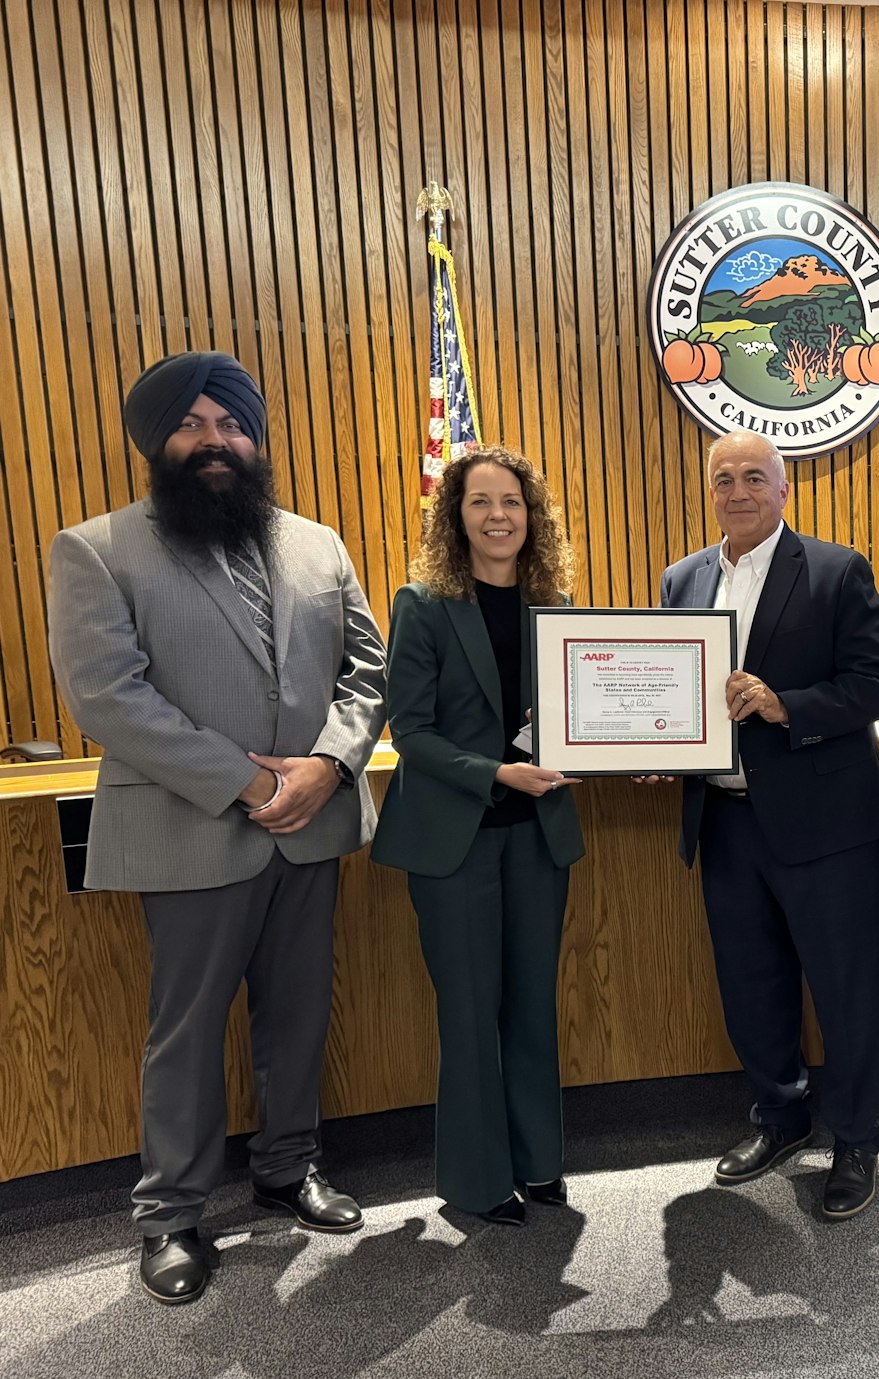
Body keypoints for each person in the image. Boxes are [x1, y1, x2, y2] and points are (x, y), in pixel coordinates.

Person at [45, 351, 386, 1305]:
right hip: (190, 829)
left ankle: (288, 1168)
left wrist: (327, 765)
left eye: (230, 424)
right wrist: (243, 782)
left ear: (256, 436)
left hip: (312, 824)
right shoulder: (97, 549)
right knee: (187, 1031)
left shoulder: (318, 544)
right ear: (157, 441)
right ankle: (171, 1215)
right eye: (191, 425)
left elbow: (369, 670)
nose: (213, 441)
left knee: (300, 1011)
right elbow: (108, 700)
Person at [658, 430, 879, 1220]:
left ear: (784, 487)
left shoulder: (835, 570)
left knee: (843, 991)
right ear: (709, 489)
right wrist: (660, 744)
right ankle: (781, 1116)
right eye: (723, 478)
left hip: (824, 825)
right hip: (725, 822)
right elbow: (675, 690)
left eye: (754, 477)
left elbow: (876, 685)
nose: (737, 490)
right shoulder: (682, 580)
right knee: (751, 987)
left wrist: (784, 705)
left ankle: (858, 1140)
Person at [371, 447, 585, 1226]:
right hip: (454, 840)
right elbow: (411, 732)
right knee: (469, 1010)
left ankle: (539, 1160)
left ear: (534, 517)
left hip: (538, 836)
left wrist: (607, 749)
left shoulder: (554, 605)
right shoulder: (424, 603)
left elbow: (577, 719)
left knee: (531, 1004)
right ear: (454, 517)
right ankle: (478, 1176)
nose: (499, 516)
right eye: (480, 502)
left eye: (514, 503)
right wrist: (497, 772)